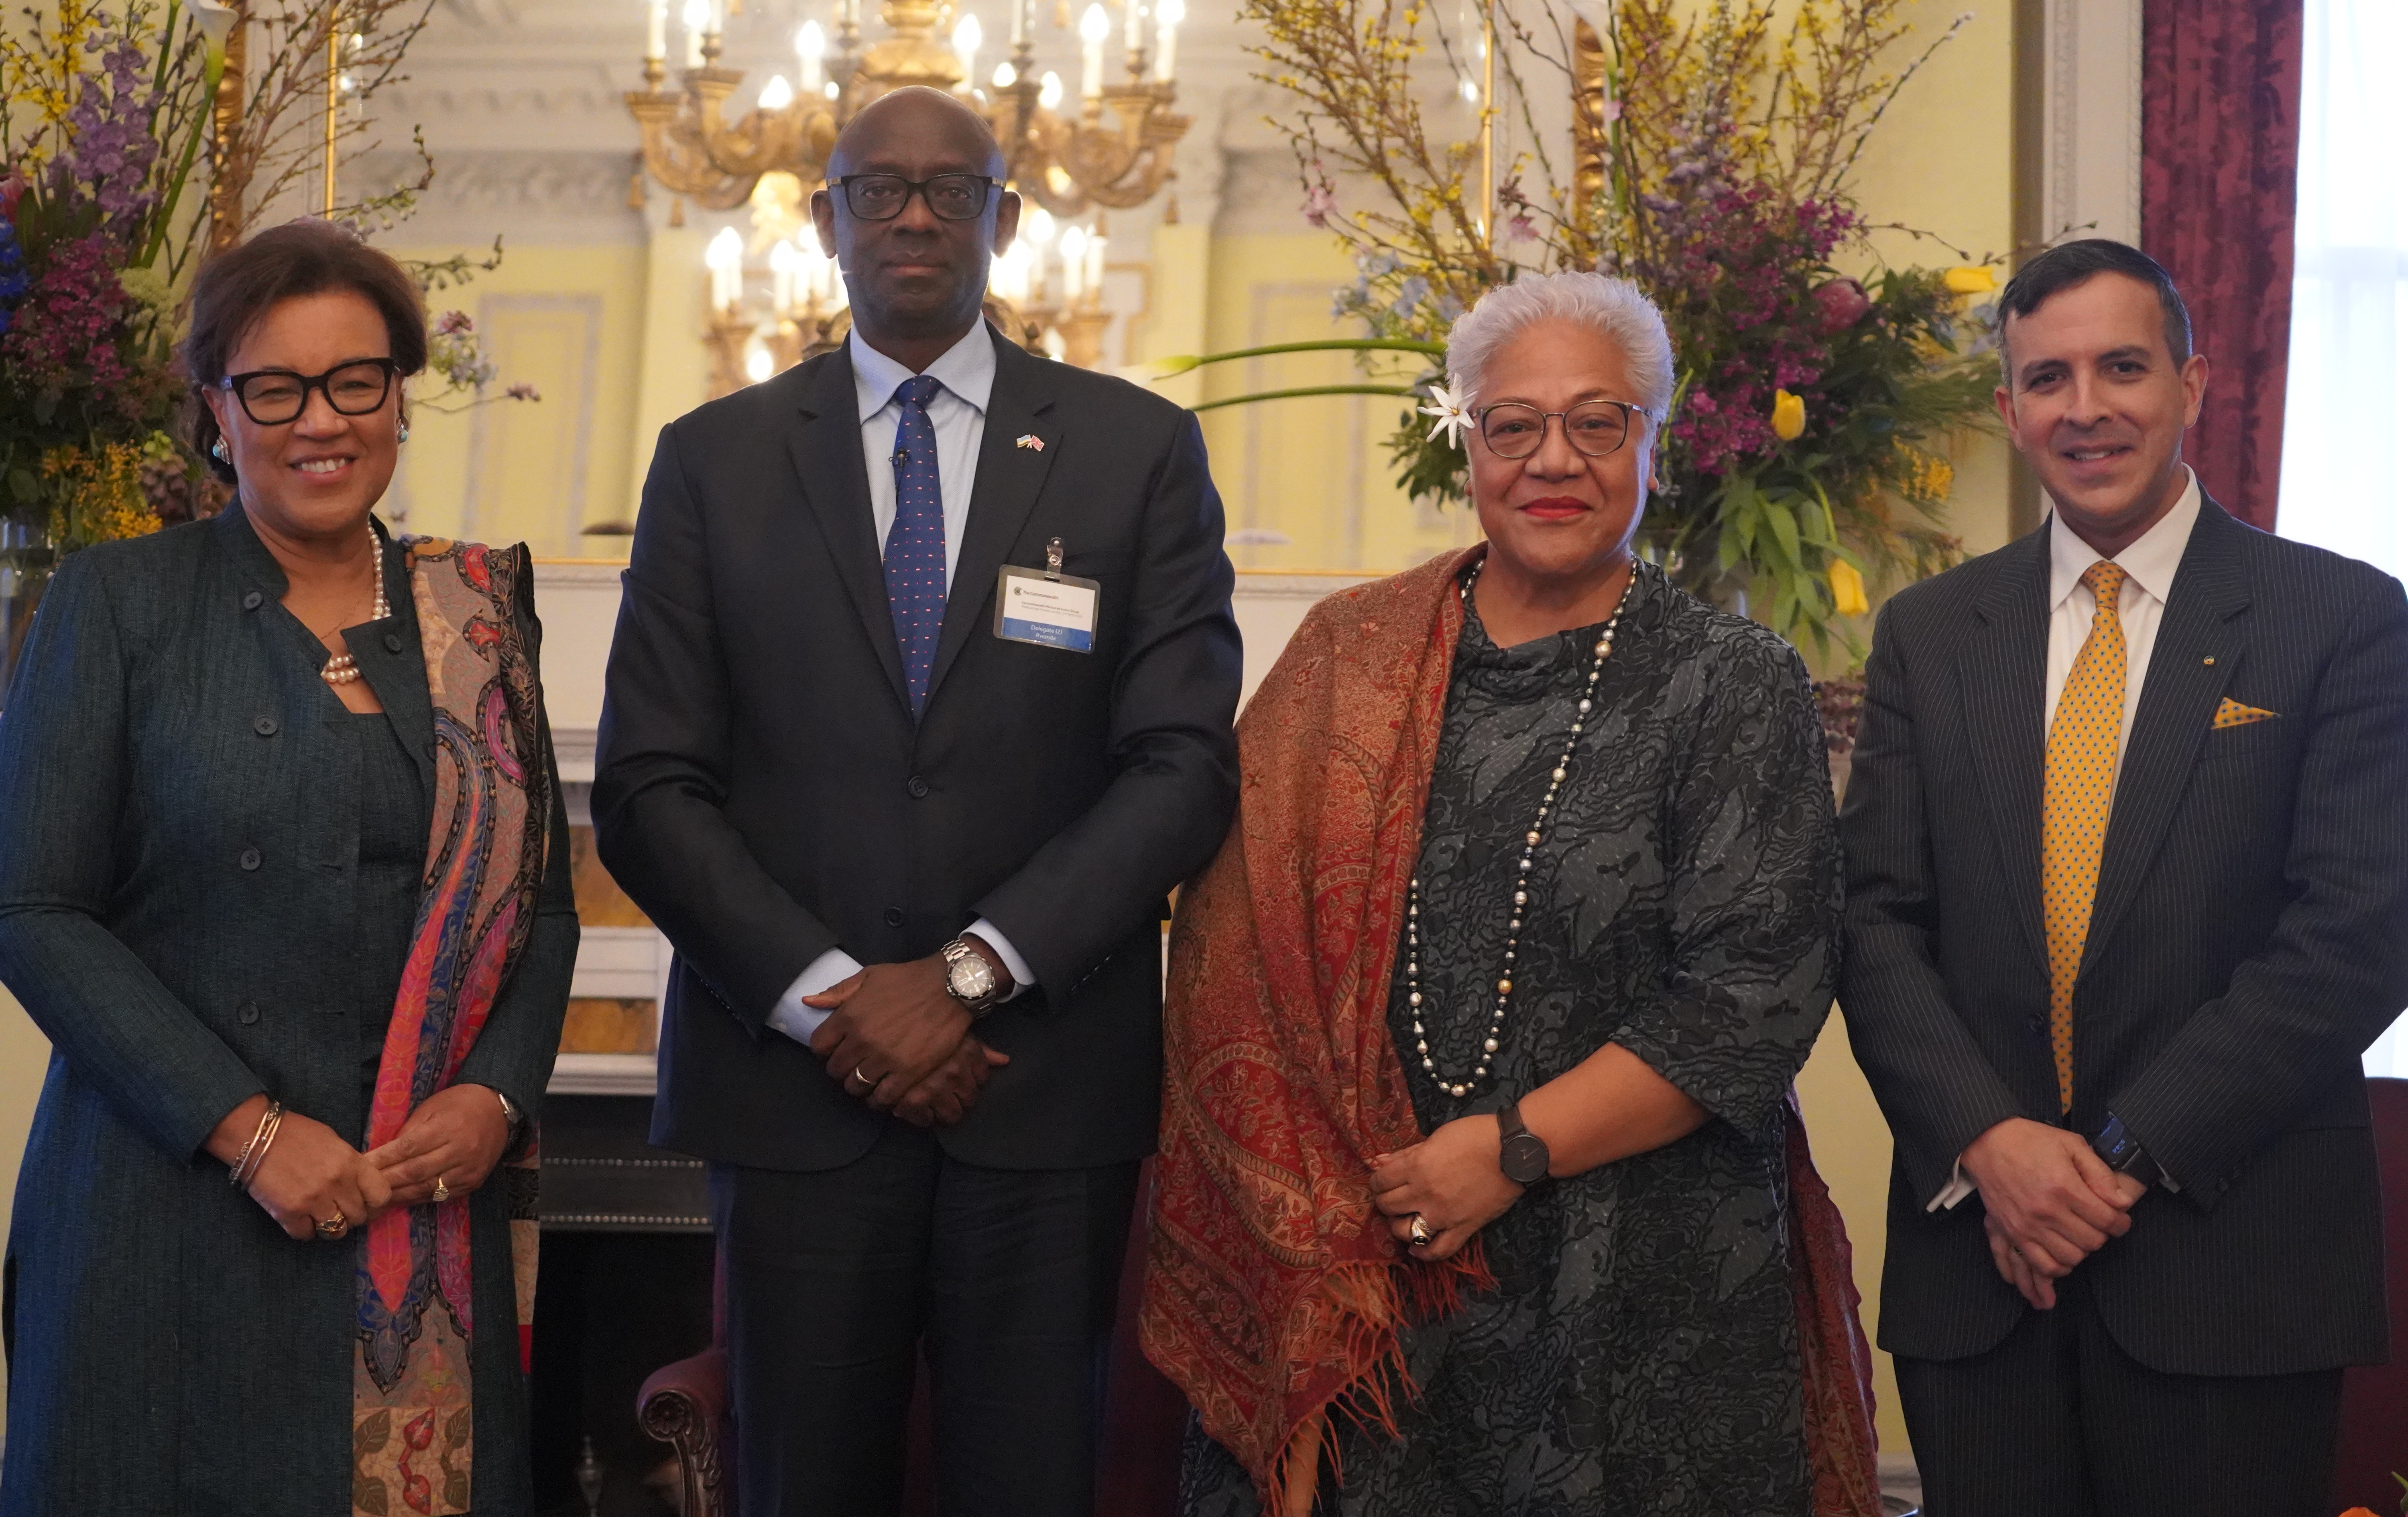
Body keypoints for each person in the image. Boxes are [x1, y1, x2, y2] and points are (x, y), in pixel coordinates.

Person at [590, 86, 1242, 1517]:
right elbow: (648, 783)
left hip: (1042, 1093)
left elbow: (1184, 765)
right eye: (877, 189)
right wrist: (837, 999)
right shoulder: (714, 461)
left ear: (1006, 220)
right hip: (795, 1091)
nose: (914, 216)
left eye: (954, 191)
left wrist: (966, 976)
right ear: (822, 217)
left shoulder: (1135, 452)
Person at [1145, 269, 1881, 1517]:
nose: (1556, 460)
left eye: (1599, 424)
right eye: (1514, 424)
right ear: (1467, 438)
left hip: (1644, 1289)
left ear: (1653, 441)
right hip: (1374, 1275)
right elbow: (1237, 945)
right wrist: (1348, 1201)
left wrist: (1507, 1152)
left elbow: (1751, 998)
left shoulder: (1731, 682)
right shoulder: (1347, 654)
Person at [0, 218, 578, 1517]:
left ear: (399, 394)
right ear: (217, 408)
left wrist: (494, 1097)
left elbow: (539, 903)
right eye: (274, 387)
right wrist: (247, 1131)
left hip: (419, 1200)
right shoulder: (118, 603)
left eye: (354, 381)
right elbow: (31, 905)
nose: (320, 421)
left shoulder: (479, 613)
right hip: (170, 1204)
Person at [1838, 238, 2408, 1515]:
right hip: (1978, 1276)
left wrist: (2111, 1161)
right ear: (2009, 411)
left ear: (2194, 383)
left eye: (2123, 367)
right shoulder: (1932, 634)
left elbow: (2358, 932)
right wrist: (1993, 1149)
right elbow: (1871, 920)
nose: (2086, 407)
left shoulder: (2342, 617)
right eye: (2049, 377)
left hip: (2232, 1265)